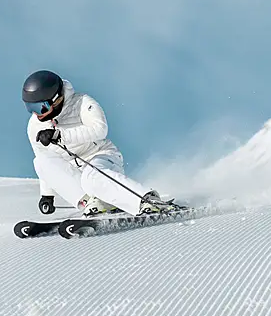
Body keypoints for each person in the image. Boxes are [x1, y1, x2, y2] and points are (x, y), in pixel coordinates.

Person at [21, 69, 169, 217]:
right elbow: (47, 164)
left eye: (41, 107)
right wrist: (47, 195)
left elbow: (100, 129)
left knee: (90, 177)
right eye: (31, 108)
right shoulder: (35, 126)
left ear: (56, 99)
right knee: (40, 161)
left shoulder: (82, 103)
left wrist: (60, 136)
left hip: (101, 157)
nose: (37, 114)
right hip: (74, 170)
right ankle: (92, 202)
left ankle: (147, 201)